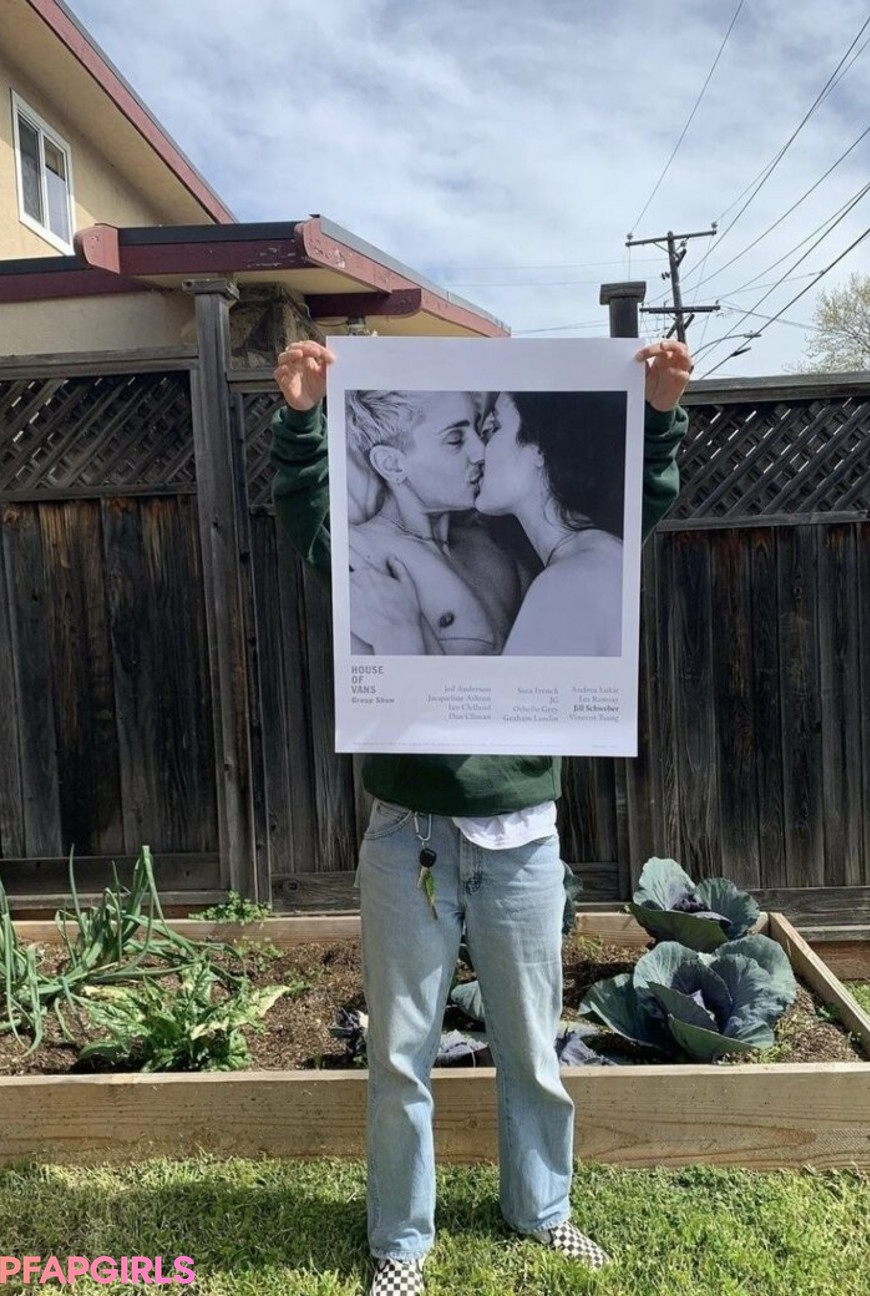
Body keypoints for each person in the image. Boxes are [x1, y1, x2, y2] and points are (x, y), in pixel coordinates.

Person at [270, 336, 691, 1296]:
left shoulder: (504, 551)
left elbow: (634, 511)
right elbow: (309, 518)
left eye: (483, 430)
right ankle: (401, 1245)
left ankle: (542, 1211)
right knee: (399, 1054)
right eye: (458, 432)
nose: (473, 450)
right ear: (392, 458)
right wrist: (300, 422)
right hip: (408, 832)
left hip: (523, 835)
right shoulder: (372, 556)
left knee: (534, 1047)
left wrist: (659, 420)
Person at [344, 389, 525, 655]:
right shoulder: (356, 553)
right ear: (391, 464)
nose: (481, 452)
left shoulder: (496, 547)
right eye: (455, 440)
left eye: (478, 430)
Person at [474, 388, 626, 655]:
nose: (477, 452)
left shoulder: (567, 581)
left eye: (493, 428)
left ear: (539, 448)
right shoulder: (601, 555)